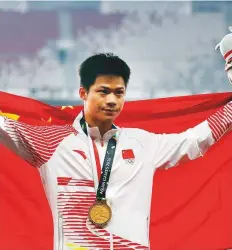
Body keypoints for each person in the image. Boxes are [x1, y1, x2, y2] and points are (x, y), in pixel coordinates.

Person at [0, 42, 232, 249]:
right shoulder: (49, 142)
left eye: (119, 93)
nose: (112, 100)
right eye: (103, 92)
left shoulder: (142, 143)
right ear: (83, 93)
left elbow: (193, 142)